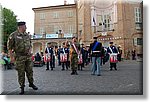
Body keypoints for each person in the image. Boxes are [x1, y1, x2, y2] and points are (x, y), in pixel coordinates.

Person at [7, 21, 38, 95]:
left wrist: (30, 51)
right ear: (20, 27)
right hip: (19, 57)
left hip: (28, 57)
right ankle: (22, 87)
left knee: (30, 71)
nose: (26, 28)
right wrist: (11, 58)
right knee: (21, 73)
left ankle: (31, 83)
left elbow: (30, 44)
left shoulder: (27, 35)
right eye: (25, 26)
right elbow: (9, 48)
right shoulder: (13, 35)